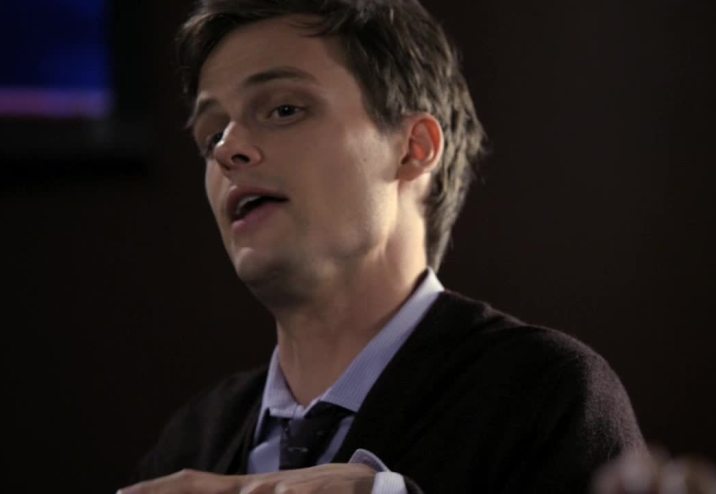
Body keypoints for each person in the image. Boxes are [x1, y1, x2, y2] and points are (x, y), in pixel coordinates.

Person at [120, 0, 645, 492]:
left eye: (284, 109)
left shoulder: (545, 394)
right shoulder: (191, 440)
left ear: (414, 149)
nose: (228, 149)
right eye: (212, 135)